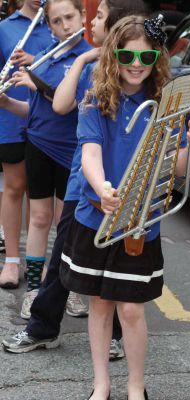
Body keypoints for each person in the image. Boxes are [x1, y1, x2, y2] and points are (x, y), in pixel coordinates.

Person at [59, 14, 190, 400]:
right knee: (101, 305)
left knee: (132, 310)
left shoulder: (165, 100)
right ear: (113, 55)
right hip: (96, 214)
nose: (136, 64)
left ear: (157, 56)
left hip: (141, 221)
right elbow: (89, 152)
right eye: (126, 55)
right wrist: (101, 186)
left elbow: (177, 169)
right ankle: (101, 384)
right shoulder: (95, 96)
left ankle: (136, 387)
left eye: (145, 56)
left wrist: (189, 144)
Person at [1, 0, 148, 359]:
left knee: (109, 264)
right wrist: (81, 60)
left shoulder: (128, 73)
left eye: (97, 15)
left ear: (115, 26)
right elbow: (59, 105)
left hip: (114, 189)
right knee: (70, 257)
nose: (88, 21)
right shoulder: (86, 63)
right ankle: (44, 326)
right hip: (85, 186)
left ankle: (108, 334)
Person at [0, 0, 92, 319]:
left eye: (70, 17)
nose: (65, 25)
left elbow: (70, 104)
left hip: (75, 151)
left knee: (69, 224)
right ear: (49, 26)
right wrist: (8, 102)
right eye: (57, 20)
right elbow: (34, 111)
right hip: (38, 145)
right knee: (39, 219)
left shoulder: (91, 59)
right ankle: (35, 289)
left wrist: (37, 84)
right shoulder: (43, 58)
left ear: (83, 17)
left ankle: (72, 289)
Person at [0, 0, 53, 289]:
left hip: (45, 121)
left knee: (39, 193)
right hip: (10, 118)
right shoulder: (4, 29)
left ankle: (37, 259)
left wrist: (35, 60)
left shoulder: (56, 27)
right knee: (14, 187)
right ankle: (10, 260)